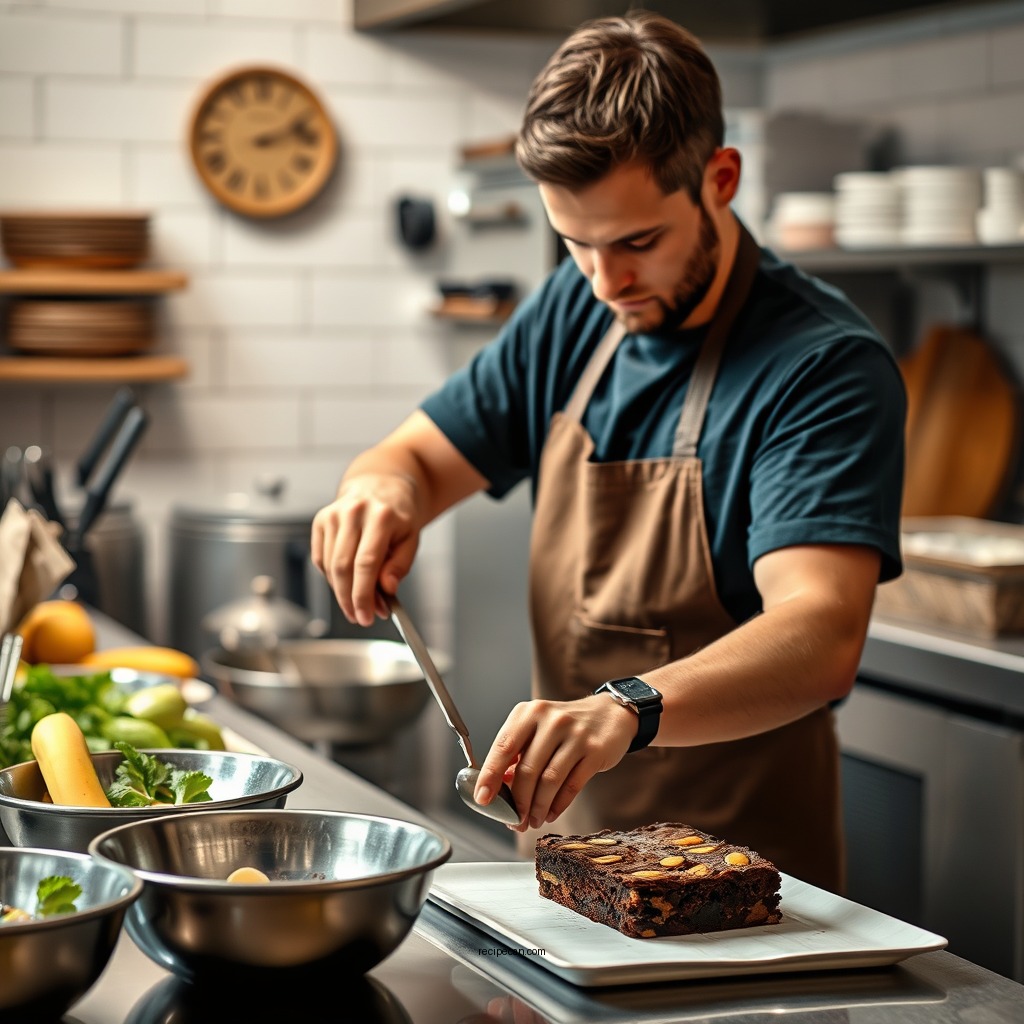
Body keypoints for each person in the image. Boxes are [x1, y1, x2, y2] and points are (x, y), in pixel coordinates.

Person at [311, 9, 905, 893]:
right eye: (575, 243)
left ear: (720, 179)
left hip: (745, 900)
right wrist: (380, 492)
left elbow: (820, 631)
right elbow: (416, 459)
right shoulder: (573, 310)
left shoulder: (821, 364)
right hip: (567, 877)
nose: (606, 280)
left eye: (638, 242)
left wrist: (630, 706)